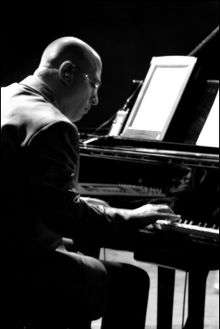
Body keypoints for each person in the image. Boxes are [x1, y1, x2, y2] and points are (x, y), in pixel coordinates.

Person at [1, 36, 180, 329]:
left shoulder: (5, 97)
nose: (96, 98)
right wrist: (131, 216)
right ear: (67, 72)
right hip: (15, 266)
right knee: (130, 280)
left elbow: (28, 194)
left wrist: (79, 203)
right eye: (94, 84)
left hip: (9, 245)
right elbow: (66, 217)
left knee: (77, 255)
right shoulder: (53, 125)